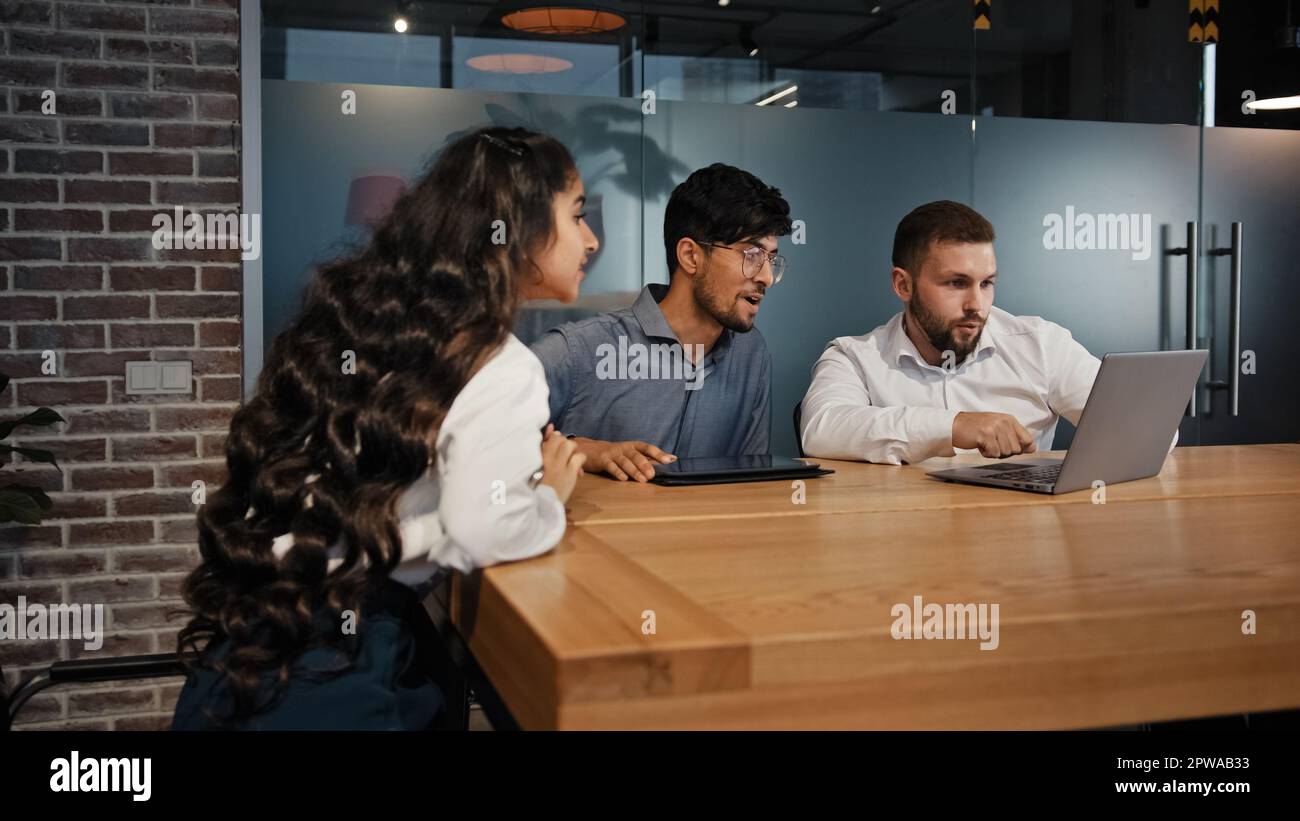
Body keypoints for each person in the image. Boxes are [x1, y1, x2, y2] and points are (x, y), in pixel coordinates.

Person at [173, 127, 593, 729]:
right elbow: (483, 529)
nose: (591, 238)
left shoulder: (381, 326)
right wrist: (548, 500)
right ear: (521, 229)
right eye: (577, 216)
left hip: (258, 645)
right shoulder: (500, 361)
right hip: (347, 666)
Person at [800, 199, 1123, 465]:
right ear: (903, 284)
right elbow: (821, 430)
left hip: (1018, 532)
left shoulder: (1041, 344)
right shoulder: (854, 357)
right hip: (904, 530)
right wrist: (953, 426)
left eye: (986, 283)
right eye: (956, 283)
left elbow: (1142, 432)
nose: (976, 305)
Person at [531, 163, 792, 481]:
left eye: (771, 259)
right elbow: (480, 445)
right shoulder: (577, 349)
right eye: (751, 255)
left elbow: (753, 482)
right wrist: (578, 450)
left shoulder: (751, 354)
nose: (766, 277)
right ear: (691, 256)